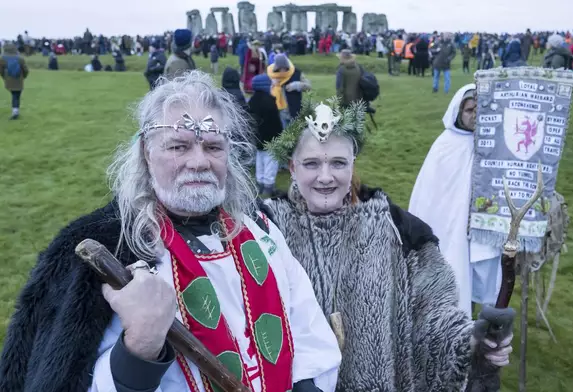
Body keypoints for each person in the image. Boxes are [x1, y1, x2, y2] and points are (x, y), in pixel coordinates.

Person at [0, 70, 341, 392]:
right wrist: (140, 346)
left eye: (212, 147)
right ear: (147, 153)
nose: (199, 162)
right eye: (178, 146)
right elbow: (62, 376)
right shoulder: (105, 249)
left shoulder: (259, 227)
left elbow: (305, 321)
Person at [262, 97, 515, 390]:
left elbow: (433, 313)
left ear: (352, 164)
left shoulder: (400, 231)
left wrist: (471, 342)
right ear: (292, 167)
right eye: (311, 164)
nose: (325, 176)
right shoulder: (265, 228)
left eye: (338, 163)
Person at [409, 84, 503, 317]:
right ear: (458, 112)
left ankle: (479, 319)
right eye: (470, 110)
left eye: (481, 110)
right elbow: (430, 194)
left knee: (478, 271)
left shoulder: (492, 145)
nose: (476, 116)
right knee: (455, 267)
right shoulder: (445, 146)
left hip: (481, 221)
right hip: (449, 224)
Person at [249, 74, 284, 196]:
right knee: (271, 161)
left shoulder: (252, 101)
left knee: (260, 159)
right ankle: (268, 186)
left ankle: (260, 182)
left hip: (258, 137)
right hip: (270, 138)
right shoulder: (269, 102)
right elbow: (275, 122)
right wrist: (280, 134)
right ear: (265, 86)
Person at [267, 54, 311, 128]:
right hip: (279, 112)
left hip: (294, 110)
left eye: (284, 68)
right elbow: (265, 92)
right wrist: (271, 84)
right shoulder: (271, 76)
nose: (282, 71)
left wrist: (297, 85)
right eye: (279, 68)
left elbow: (308, 86)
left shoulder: (296, 73)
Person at [0, 42, 29, 120]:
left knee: (14, 95)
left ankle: (15, 111)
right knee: (17, 95)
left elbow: (1, 70)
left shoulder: (2, 58)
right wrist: (24, 77)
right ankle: (15, 111)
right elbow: (25, 70)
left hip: (9, 79)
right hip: (19, 79)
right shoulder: (20, 58)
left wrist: (4, 77)